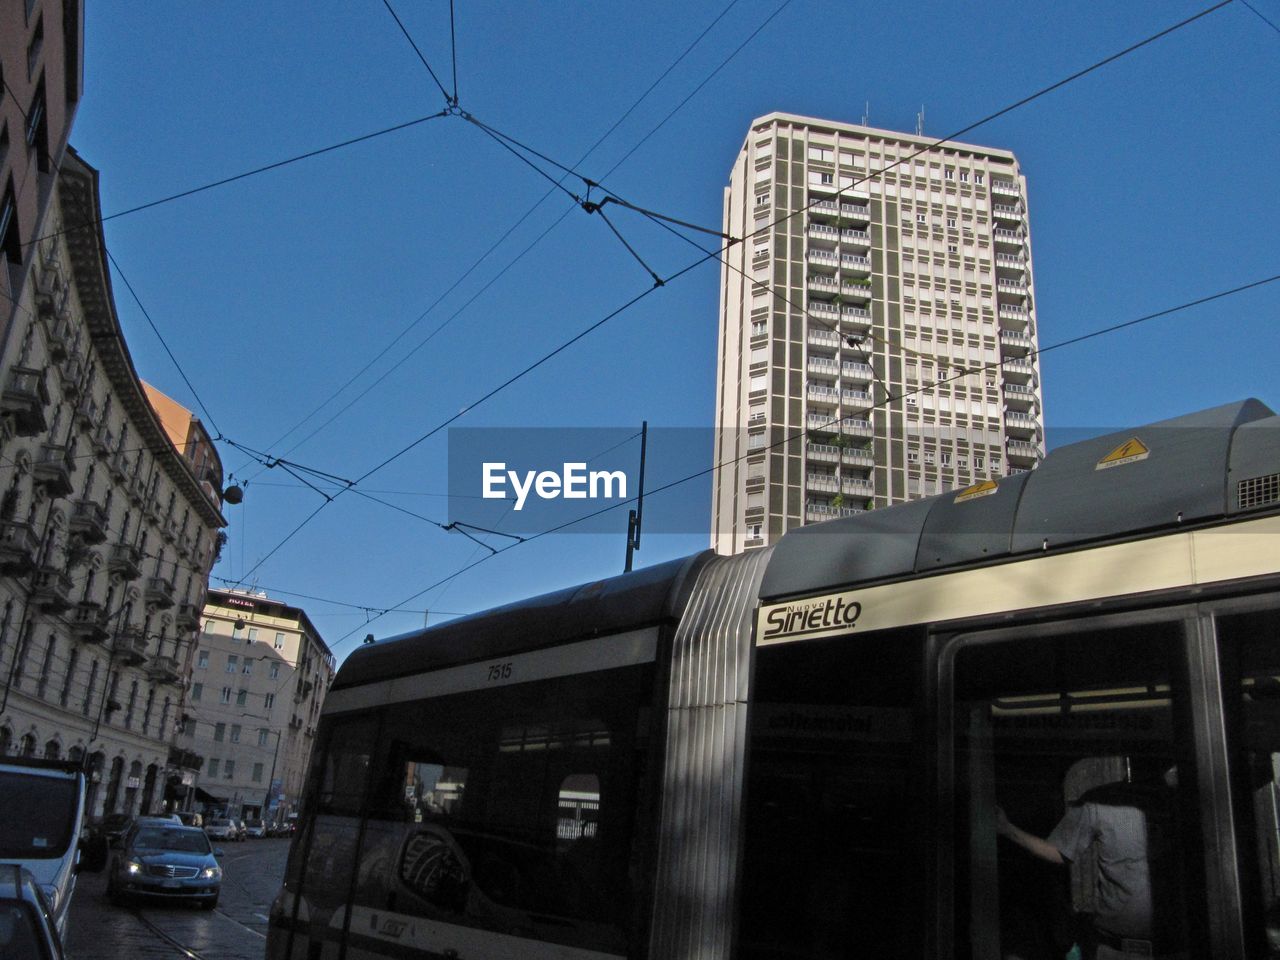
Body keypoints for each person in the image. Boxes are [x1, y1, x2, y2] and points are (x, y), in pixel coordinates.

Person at [997, 773, 1183, 960]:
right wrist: (1007, 829)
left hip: (1177, 947)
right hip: (1113, 949)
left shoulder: (1189, 801)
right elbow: (1059, 850)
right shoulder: (1104, 800)